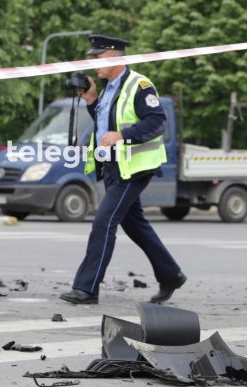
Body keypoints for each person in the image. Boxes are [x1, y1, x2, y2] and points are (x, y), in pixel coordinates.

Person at [60, 34, 186, 305]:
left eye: (98, 57)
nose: (93, 62)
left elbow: (157, 122)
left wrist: (123, 135)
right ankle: (171, 275)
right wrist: (92, 100)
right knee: (134, 225)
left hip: (133, 169)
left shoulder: (138, 85)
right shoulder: (108, 88)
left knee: (104, 222)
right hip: (113, 168)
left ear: (115, 57)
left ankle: (86, 288)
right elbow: (105, 125)